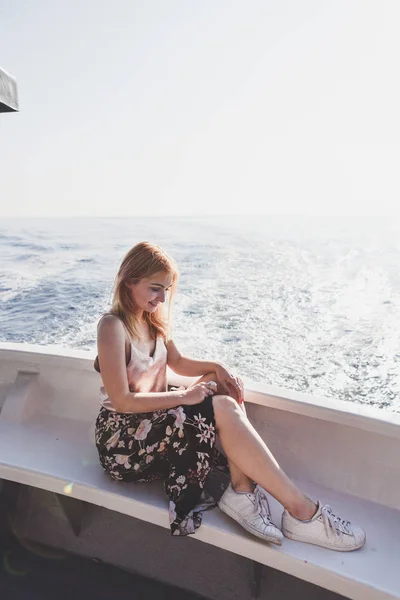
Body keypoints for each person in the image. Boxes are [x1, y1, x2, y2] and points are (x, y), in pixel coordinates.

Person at [94, 241, 366, 550]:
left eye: (167, 290)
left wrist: (217, 367)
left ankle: (241, 489)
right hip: (124, 441)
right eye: (156, 288)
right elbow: (122, 401)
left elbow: (178, 363)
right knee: (218, 403)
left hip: (154, 421)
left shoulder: (153, 322)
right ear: (129, 280)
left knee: (220, 386)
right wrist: (185, 397)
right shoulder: (112, 326)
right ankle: (301, 511)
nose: (162, 298)